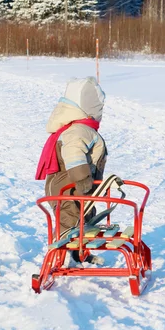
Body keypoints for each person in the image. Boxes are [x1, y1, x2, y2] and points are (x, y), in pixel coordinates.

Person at [35, 76, 107, 262]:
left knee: (83, 217)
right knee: (70, 222)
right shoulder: (79, 130)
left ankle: (78, 253)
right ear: (90, 109)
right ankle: (63, 259)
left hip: (76, 190)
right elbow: (73, 152)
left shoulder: (78, 128)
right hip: (70, 188)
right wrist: (83, 179)